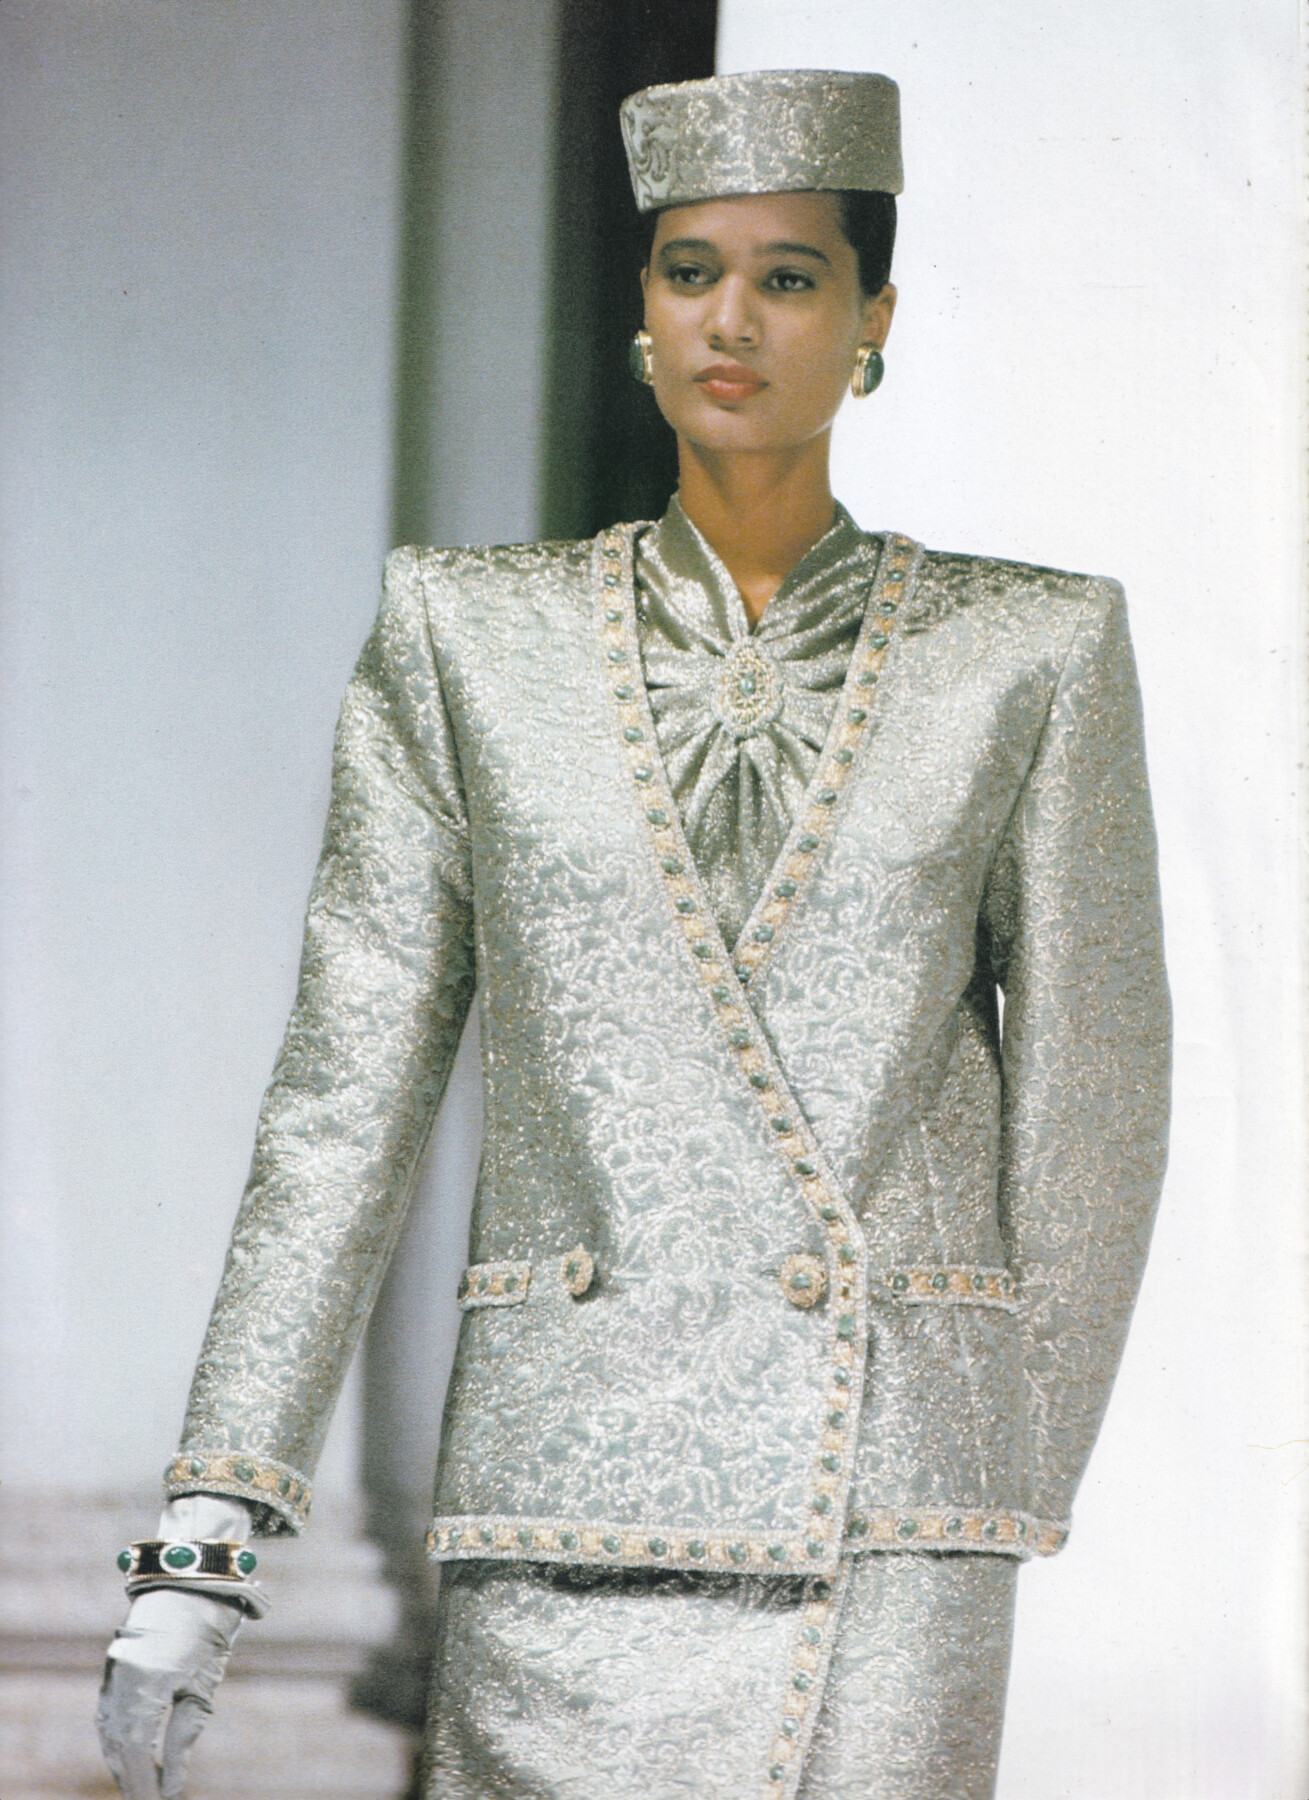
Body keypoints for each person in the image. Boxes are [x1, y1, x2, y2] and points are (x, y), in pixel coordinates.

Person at [97, 68, 1171, 1800]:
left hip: (883, 1499)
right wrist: (210, 1523)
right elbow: (343, 1097)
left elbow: (1094, 1097)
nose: (729, 320)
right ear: (642, 311)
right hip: (565, 1488)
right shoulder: (464, 634)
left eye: (789, 277)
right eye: (688, 271)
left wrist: (1000, 1463)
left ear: (874, 318)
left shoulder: (1027, 651)